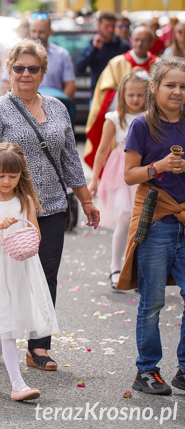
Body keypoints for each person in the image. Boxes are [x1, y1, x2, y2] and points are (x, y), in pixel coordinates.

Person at [0, 39, 100, 369]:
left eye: (33, 68)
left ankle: (38, 346)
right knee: (3, 273)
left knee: (46, 274)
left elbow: (70, 158)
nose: (26, 74)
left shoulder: (58, 108)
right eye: (19, 68)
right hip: (10, 208)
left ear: (44, 72)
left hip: (53, 205)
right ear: (9, 71)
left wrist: (85, 200)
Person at [0, 143, 56, 402]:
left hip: (18, 264)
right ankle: (17, 385)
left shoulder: (25, 200)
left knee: (6, 323)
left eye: (13, 176)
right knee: (6, 323)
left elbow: (36, 234)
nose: (6, 181)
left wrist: (22, 233)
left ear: (21, 175)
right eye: (1, 175)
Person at [119, 57, 185, 395]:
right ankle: (147, 371)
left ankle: (184, 369)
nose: (177, 91)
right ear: (155, 88)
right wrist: (158, 166)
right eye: (171, 85)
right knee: (153, 300)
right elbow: (129, 176)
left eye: (183, 86)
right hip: (157, 220)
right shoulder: (142, 125)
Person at [88, 71, 149, 289]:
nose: (135, 100)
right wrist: (94, 179)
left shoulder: (151, 116)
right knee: (124, 220)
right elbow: (102, 150)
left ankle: (140, 268)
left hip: (145, 171)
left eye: (140, 95)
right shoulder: (114, 119)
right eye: (130, 95)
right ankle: (116, 266)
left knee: (145, 223)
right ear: (122, 95)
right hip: (122, 174)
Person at [84, 26, 157, 168]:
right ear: (131, 41)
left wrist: (147, 80)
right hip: (123, 118)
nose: (140, 44)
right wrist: (128, 85)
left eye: (144, 40)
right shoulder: (117, 63)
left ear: (150, 43)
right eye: (136, 40)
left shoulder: (157, 64)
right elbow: (104, 92)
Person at [76, 10, 129, 94]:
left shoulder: (123, 46)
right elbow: (79, 68)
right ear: (99, 26)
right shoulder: (92, 45)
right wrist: (94, 49)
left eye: (112, 26)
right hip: (98, 95)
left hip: (118, 95)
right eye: (107, 26)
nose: (110, 30)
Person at [33, 15, 76, 99]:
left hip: (53, 105)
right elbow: (7, 82)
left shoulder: (62, 55)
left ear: (50, 32)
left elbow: (71, 85)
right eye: (33, 31)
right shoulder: (20, 54)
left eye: (41, 32)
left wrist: (59, 105)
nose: (37, 35)